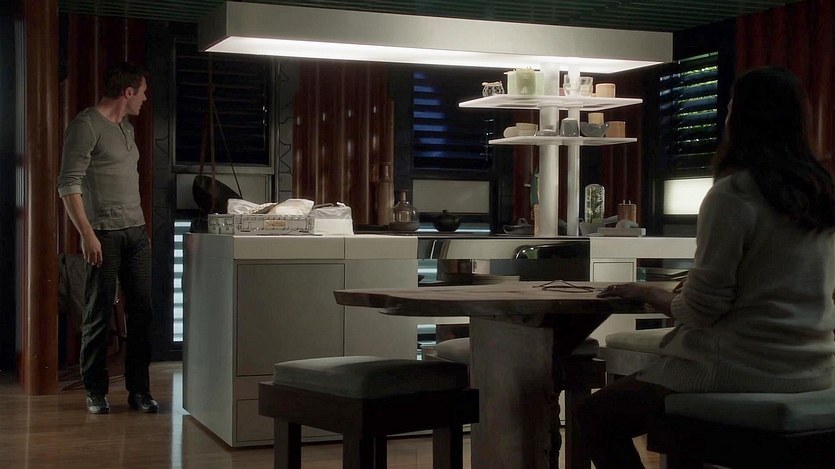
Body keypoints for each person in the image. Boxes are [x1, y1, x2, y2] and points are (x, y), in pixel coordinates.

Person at [575, 66, 835, 468]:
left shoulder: (733, 195)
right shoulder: (820, 194)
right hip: (815, 368)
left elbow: (701, 311)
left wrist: (647, 292)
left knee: (594, 416)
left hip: (738, 366)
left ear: (738, 120)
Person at [57, 62, 158, 414]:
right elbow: (68, 185)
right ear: (128, 92)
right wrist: (87, 235)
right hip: (104, 234)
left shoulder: (126, 127)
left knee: (142, 313)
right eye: (142, 92)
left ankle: (139, 391)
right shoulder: (85, 126)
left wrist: (141, 229)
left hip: (136, 233)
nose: (145, 98)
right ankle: (95, 391)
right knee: (99, 313)